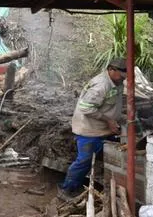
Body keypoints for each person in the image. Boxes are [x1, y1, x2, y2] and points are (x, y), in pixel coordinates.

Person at [57, 58, 127, 200]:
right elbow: (86, 108)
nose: (123, 79)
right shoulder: (101, 85)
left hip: (104, 128)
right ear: (111, 70)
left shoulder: (117, 81)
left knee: (114, 152)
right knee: (84, 160)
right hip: (89, 129)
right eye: (121, 75)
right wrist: (109, 121)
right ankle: (67, 189)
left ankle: (100, 182)